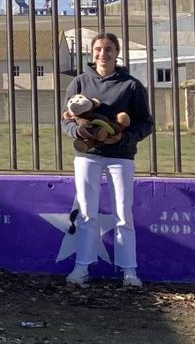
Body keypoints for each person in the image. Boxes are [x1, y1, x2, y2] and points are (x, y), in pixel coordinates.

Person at [60, 32, 153, 288]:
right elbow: (65, 119)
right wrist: (77, 132)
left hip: (120, 157)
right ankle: (81, 268)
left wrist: (124, 138)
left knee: (123, 214)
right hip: (87, 156)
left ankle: (129, 271)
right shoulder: (79, 82)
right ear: (92, 53)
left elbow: (146, 123)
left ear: (117, 52)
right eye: (99, 48)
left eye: (109, 48)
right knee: (87, 213)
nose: (104, 53)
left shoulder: (131, 85)